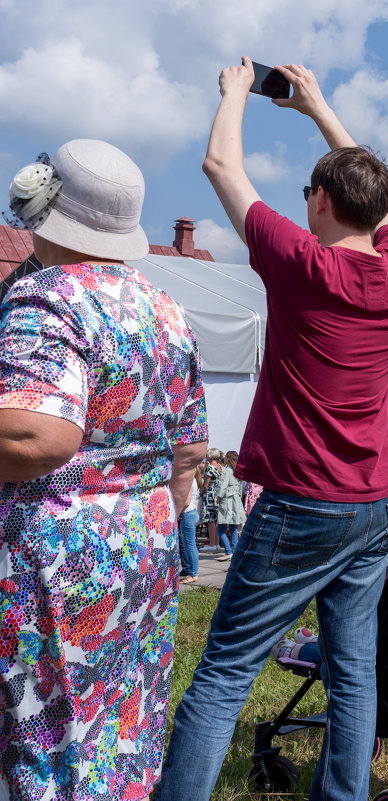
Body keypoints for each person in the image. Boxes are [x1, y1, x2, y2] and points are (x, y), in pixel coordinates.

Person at [158, 61, 388, 801]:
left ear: (323, 202)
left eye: (310, 191)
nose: (303, 201)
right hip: (375, 499)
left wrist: (235, 92)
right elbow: (382, 201)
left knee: (223, 672)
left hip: (302, 500)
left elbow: (219, 164)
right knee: (353, 665)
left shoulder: (300, 263)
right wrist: (317, 108)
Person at [1, 139, 207, 799]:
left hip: (57, 563)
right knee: (120, 732)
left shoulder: (47, 296)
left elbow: (41, 432)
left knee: (48, 741)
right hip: (143, 551)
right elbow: (192, 450)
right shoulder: (165, 307)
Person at [214, 449, 246, 561]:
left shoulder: (227, 470)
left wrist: (218, 497)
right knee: (233, 527)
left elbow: (223, 485)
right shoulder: (238, 470)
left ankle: (228, 551)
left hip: (227, 500)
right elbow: (241, 488)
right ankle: (233, 550)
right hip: (236, 500)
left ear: (228, 458)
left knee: (221, 528)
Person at [179, 476, 201, 585]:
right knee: (189, 545)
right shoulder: (193, 478)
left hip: (188, 513)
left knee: (190, 545)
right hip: (191, 513)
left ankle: (193, 574)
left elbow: (186, 502)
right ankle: (191, 572)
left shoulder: (188, 479)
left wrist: (177, 512)